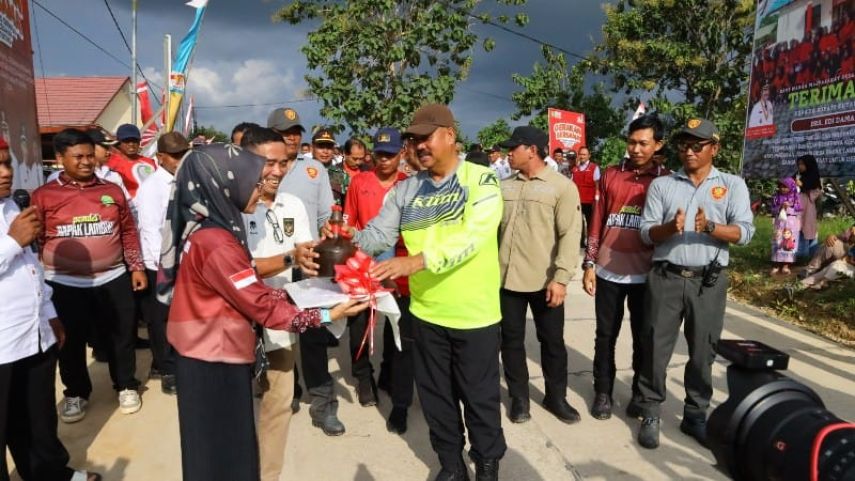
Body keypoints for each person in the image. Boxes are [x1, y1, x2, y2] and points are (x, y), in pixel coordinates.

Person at [159, 144, 366, 481]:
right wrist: (329, 314)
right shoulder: (217, 243)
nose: (262, 188)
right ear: (224, 186)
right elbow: (263, 306)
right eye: (252, 183)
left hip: (202, 352)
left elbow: (245, 287)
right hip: (215, 361)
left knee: (210, 450)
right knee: (223, 454)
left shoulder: (203, 228)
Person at [336, 104, 506, 480]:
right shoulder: (406, 189)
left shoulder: (482, 180)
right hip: (425, 313)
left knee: (480, 400)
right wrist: (350, 240)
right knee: (436, 400)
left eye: (425, 137)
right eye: (413, 139)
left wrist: (415, 262)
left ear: (449, 135)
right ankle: (451, 464)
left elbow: (474, 237)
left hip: (474, 315)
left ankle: (488, 464)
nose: (418, 146)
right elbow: (378, 235)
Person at [635, 118, 755, 450]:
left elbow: (745, 232)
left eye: (696, 146)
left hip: (708, 281)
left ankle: (695, 415)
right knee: (656, 348)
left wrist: (711, 227)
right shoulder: (663, 185)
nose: (688, 151)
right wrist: (668, 229)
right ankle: (651, 412)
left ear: (713, 148)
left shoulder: (732, 185)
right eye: (683, 145)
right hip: (667, 277)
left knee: (704, 351)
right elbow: (646, 232)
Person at [0, 141, 102, 481]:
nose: (5, 173)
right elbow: (16, 249)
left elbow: (32, 268)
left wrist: (50, 314)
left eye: (6, 164)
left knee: (36, 417)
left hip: (31, 334)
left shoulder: (12, 207)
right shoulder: (14, 225)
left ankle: (50, 474)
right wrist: (12, 242)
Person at [32, 129, 147, 423]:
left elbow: (128, 231)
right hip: (64, 283)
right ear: (60, 158)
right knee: (70, 341)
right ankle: (76, 393)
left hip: (113, 277)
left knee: (121, 336)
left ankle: (125, 385)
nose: (86, 162)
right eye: (77, 157)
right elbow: (37, 239)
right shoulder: (44, 195)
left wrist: (136, 267)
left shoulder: (111, 190)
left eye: (89, 155)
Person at [239, 127, 317, 481]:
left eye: (284, 163)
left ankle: (267, 475)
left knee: (278, 401)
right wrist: (290, 257)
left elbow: (305, 254)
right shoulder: (231, 207)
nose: (277, 171)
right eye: (269, 163)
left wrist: (324, 255)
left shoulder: (293, 205)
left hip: (279, 318)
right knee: (236, 410)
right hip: (237, 325)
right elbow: (237, 271)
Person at [582, 115, 670, 421]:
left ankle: (637, 393)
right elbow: (596, 221)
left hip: (647, 274)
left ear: (658, 144)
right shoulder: (609, 175)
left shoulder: (667, 180)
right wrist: (589, 263)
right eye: (631, 142)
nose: (635, 149)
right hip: (608, 270)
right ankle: (603, 392)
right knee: (605, 335)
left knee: (643, 336)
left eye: (643, 143)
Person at [497, 126, 582, 425]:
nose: (509, 153)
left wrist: (561, 277)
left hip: (545, 281)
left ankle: (556, 397)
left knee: (552, 342)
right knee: (510, 342)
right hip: (506, 280)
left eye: (514, 148)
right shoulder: (504, 186)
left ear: (531, 150)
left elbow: (571, 234)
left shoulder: (561, 187)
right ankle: (519, 399)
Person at [343, 127, 412, 425]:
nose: (384, 160)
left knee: (395, 326)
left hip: (399, 267)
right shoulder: (359, 182)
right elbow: (350, 224)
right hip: (363, 265)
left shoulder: (409, 185)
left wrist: (402, 267)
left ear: (402, 154)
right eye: (379, 154)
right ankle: (363, 377)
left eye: (390, 154)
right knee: (360, 325)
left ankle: (388, 374)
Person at [133, 132, 190, 395]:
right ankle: (166, 369)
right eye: (175, 156)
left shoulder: (188, 181)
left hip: (185, 260)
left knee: (181, 315)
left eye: (184, 153)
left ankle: (174, 359)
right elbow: (150, 230)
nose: (181, 160)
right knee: (161, 318)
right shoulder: (152, 187)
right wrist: (167, 267)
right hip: (160, 265)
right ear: (160, 157)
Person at [268, 107, 334, 236]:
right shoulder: (258, 167)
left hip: (308, 251)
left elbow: (326, 214)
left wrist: (327, 228)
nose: (293, 138)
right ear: (270, 133)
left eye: (297, 132)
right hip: (270, 253)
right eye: (286, 132)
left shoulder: (317, 169)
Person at [47, 129, 129, 199]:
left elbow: (128, 206)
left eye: (110, 148)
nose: (109, 152)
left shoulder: (114, 176)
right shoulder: (57, 178)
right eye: (105, 147)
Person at [105, 124, 156, 198]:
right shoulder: (111, 163)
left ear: (139, 142)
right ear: (118, 143)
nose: (131, 144)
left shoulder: (150, 162)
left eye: (135, 141)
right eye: (127, 141)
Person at [770, 177, 802, 275]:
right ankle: (776, 264)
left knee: (788, 242)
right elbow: (772, 209)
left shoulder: (795, 197)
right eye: (781, 187)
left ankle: (785, 265)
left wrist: (789, 207)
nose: (782, 189)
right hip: (779, 222)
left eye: (785, 187)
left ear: (791, 187)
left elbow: (799, 208)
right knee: (777, 241)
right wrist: (780, 207)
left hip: (791, 223)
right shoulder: (776, 197)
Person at [571, 146, 601, 244]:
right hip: (577, 201)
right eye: (580, 154)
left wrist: (597, 200)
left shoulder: (594, 168)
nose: (582, 156)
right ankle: (579, 242)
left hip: (590, 201)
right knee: (577, 223)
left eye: (584, 154)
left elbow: (597, 185)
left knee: (590, 222)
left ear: (589, 156)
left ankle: (591, 242)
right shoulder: (574, 169)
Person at [795, 154, 822, 259]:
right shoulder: (797, 175)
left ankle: (811, 254)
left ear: (809, 164)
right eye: (799, 164)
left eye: (802, 164)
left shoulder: (814, 177)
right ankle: (799, 253)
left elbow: (816, 192)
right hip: (797, 207)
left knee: (808, 227)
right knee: (797, 227)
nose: (800, 166)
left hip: (808, 207)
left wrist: (802, 185)